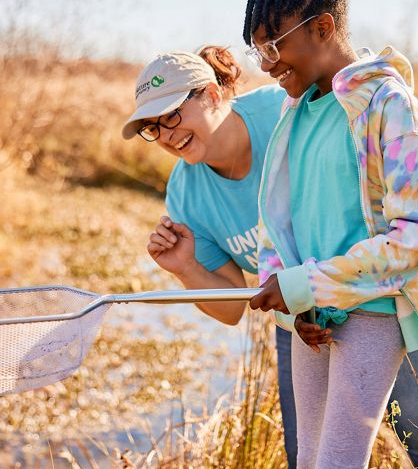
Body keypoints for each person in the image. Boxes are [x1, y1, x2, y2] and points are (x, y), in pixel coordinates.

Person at [245, 0, 418, 469]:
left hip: (374, 309)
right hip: (313, 314)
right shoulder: (293, 117)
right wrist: (297, 305)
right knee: (309, 459)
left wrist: (307, 285)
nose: (267, 65)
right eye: (258, 52)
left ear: (322, 27)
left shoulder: (389, 105)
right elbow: (278, 223)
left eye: (274, 47)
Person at [120, 47, 300, 466]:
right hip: (297, 318)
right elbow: (232, 308)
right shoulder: (185, 196)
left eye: (172, 115)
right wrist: (186, 268)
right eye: (153, 127)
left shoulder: (283, 111)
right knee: (304, 452)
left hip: (371, 288)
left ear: (213, 95)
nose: (166, 135)